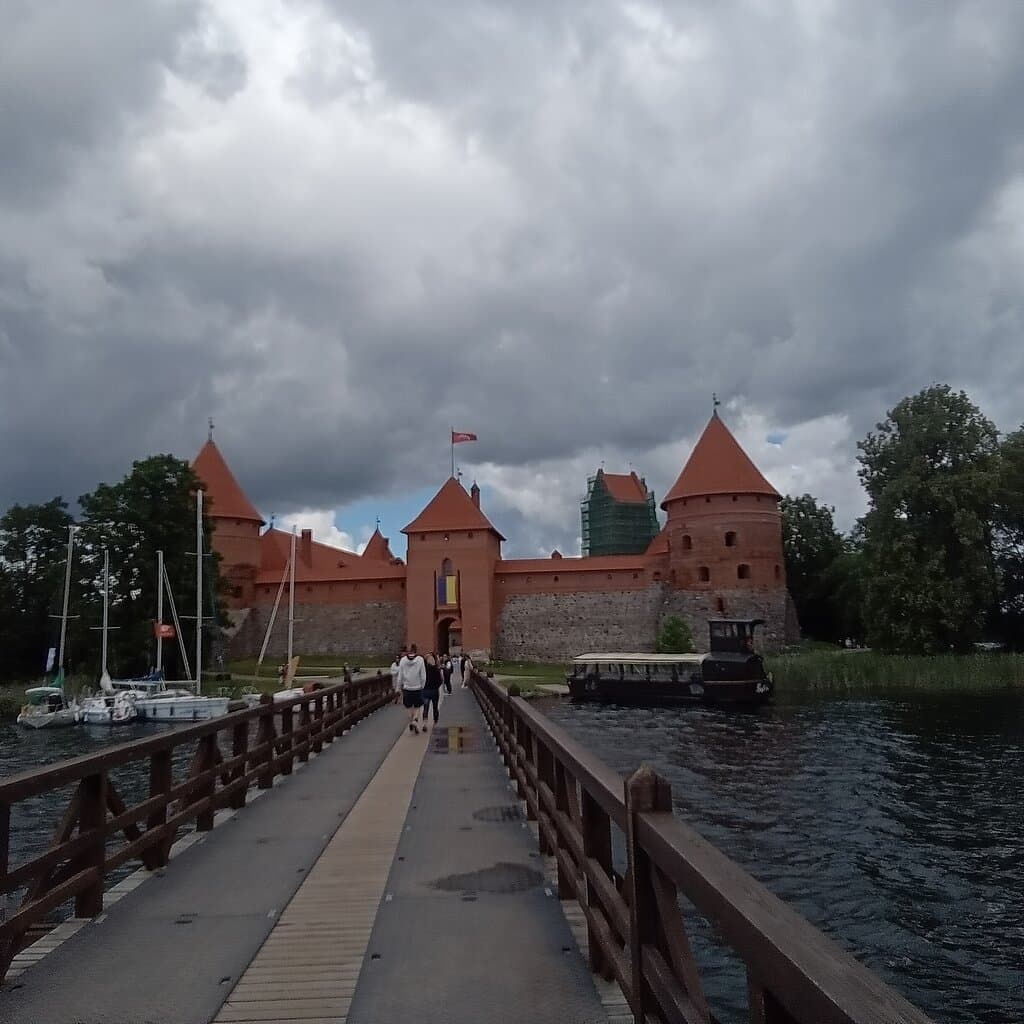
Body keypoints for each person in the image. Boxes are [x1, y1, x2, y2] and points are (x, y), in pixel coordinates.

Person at [396, 644, 426, 733]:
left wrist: (398, 687)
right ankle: (415, 720)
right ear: (415, 650)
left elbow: (400, 676)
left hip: (407, 688)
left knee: (408, 707)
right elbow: (423, 676)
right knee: (418, 706)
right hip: (417, 687)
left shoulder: (403, 660)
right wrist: (422, 686)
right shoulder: (420, 660)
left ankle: (411, 721)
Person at [422, 653, 443, 728]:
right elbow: (440, 681)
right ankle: (435, 721)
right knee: (435, 706)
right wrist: (436, 686)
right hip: (434, 690)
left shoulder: (423, 669)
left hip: (426, 690)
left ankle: (425, 722)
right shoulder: (436, 669)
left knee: (426, 707)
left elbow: (421, 679)